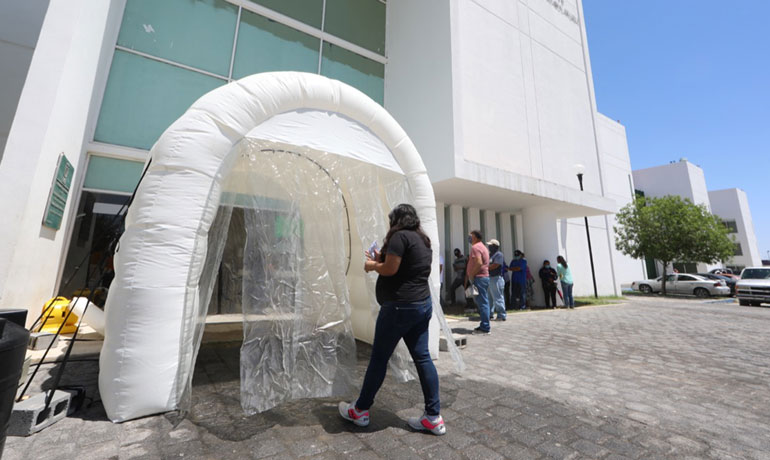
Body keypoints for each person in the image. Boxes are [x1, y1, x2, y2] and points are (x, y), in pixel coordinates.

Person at [338, 204, 446, 435]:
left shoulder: (399, 237)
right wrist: (383, 258)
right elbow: (405, 265)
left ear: (396, 220)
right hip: (421, 305)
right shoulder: (422, 239)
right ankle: (433, 417)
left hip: (399, 308)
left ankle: (360, 410)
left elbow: (390, 269)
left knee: (379, 359)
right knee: (423, 358)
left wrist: (372, 265)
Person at [466, 230, 490, 334]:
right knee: (483, 302)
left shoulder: (475, 247)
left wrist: (471, 274)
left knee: (482, 303)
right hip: (483, 278)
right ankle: (484, 325)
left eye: (470, 236)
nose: (469, 238)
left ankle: (485, 328)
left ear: (475, 237)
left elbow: (479, 262)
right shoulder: (483, 247)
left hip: (479, 278)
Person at [486, 239, 506, 321]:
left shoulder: (498, 255)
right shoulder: (489, 255)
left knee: (497, 297)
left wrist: (485, 268)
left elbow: (496, 265)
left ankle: (501, 315)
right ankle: (490, 314)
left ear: (495, 246)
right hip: (489, 278)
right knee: (489, 297)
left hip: (496, 278)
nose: (489, 246)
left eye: (490, 245)